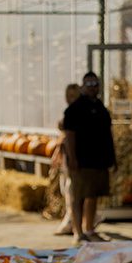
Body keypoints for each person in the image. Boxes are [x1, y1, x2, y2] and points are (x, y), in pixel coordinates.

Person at [63, 71, 116, 243]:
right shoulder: (75, 109)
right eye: (89, 84)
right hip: (81, 161)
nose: (93, 87)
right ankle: (78, 232)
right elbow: (69, 135)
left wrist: (112, 158)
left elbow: (108, 135)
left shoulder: (101, 108)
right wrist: (72, 158)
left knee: (93, 196)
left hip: (99, 160)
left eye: (95, 84)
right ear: (83, 86)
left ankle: (90, 229)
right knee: (78, 196)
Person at [52, 83, 81, 236]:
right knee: (67, 190)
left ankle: (74, 224)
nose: (70, 99)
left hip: (74, 159)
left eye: (73, 95)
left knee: (72, 192)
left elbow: (69, 138)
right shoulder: (69, 113)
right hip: (67, 160)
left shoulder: (76, 113)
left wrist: (72, 158)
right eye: (68, 95)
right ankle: (71, 221)